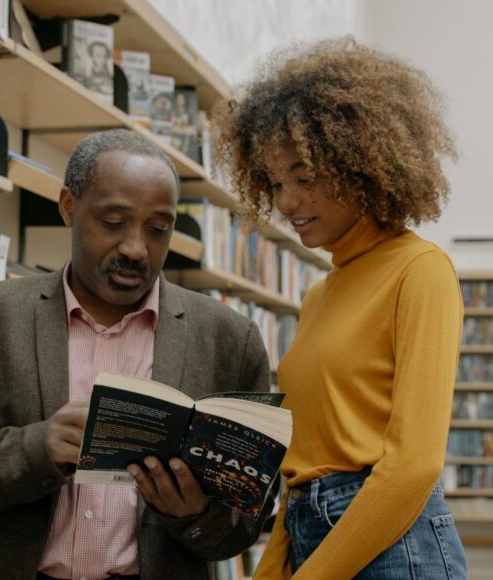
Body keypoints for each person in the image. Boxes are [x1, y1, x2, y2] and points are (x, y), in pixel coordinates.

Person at [0, 129, 272, 580]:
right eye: (114, 222)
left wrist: (194, 513)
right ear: (68, 206)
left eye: (158, 229)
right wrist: (36, 449)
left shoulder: (229, 340)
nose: (136, 248)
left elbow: (244, 524)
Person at [213, 37, 467, 578]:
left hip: (394, 545)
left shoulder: (419, 270)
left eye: (305, 178)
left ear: (363, 166)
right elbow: (305, 463)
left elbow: (414, 466)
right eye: (276, 183)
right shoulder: (317, 295)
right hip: (312, 531)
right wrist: (274, 565)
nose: (285, 203)